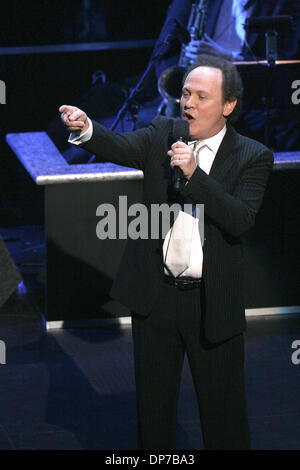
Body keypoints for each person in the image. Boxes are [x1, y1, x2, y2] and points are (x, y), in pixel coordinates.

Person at [59, 54, 274, 450]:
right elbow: (119, 145)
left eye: (201, 97)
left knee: (223, 416)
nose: (188, 103)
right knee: (154, 417)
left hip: (212, 303)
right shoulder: (162, 133)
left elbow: (240, 218)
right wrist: (88, 128)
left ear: (229, 105)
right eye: (185, 93)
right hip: (156, 301)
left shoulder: (252, 156)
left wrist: (194, 176)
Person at [154, 0, 300, 150]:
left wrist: (229, 58)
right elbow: (165, 50)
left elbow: (289, 60)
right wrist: (173, 94)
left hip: (253, 102)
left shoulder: (286, 4)